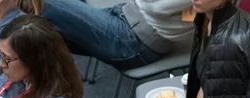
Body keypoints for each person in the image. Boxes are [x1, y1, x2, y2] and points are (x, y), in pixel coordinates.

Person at [39, 0, 193, 70]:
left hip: (133, 40)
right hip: (125, 14)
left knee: (45, 5)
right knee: (41, 32)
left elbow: (159, 7)